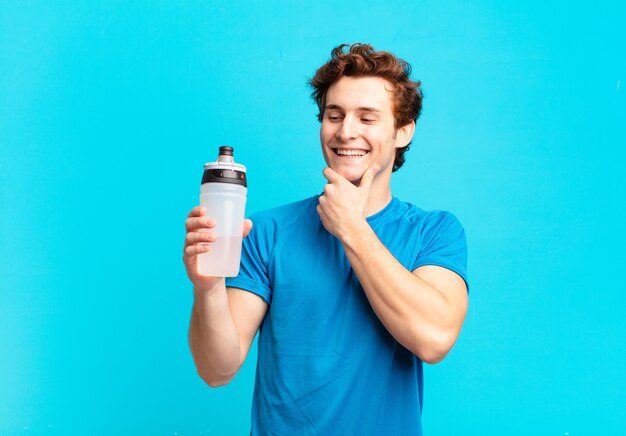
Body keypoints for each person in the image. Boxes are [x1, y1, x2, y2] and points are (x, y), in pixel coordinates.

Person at [183, 43, 469, 435]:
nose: (346, 131)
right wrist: (208, 286)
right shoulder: (266, 232)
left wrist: (353, 229)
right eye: (335, 115)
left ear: (403, 131)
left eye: (367, 118)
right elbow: (216, 369)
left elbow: (434, 339)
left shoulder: (434, 231)